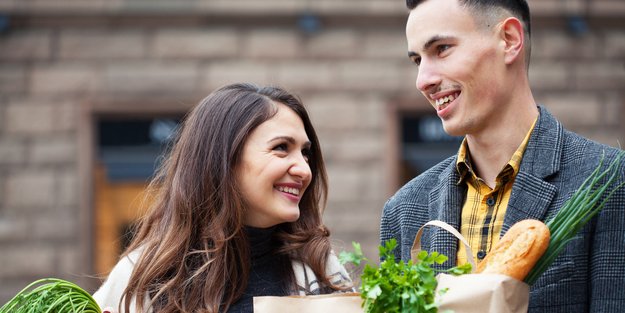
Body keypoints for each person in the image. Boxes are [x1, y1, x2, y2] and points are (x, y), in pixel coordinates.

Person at [380, 0, 625, 312]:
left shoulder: (608, 180)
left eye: (441, 49)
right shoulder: (403, 209)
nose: (423, 80)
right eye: (417, 60)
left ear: (509, 40)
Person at [93, 83, 352, 313]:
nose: (304, 170)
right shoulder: (142, 275)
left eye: (305, 153)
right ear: (223, 160)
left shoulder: (321, 270)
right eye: (281, 148)